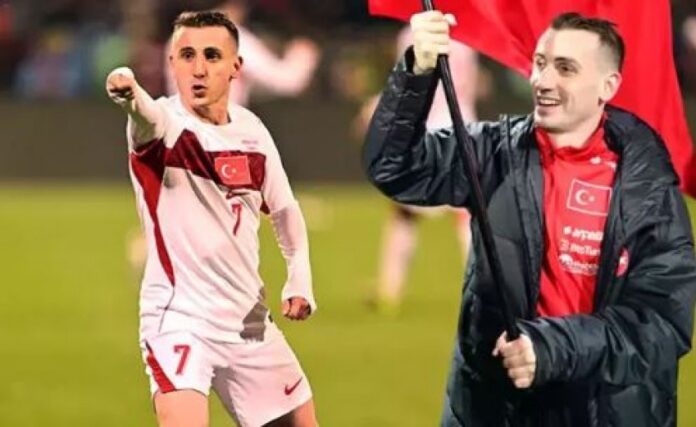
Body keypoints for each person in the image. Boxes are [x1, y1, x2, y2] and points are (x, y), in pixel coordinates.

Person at [363, 10, 696, 426]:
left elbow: (662, 323)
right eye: (540, 63)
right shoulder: (494, 153)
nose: (543, 80)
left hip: (608, 412)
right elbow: (394, 168)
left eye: (565, 68)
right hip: (498, 408)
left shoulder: (647, 186)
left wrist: (550, 347)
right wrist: (416, 72)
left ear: (608, 86)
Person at [106, 11, 317, 427]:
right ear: (172, 63)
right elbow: (146, 116)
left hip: (248, 322)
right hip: (180, 321)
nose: (198, 69)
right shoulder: (164, 129)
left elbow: (284, 209)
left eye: (212, 56)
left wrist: (299, 277)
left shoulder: (253, 131)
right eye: (187, 56)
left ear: (236, 67)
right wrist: (131, 95)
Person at [363, 26, 480, 313]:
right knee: (466, 213)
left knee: (403, 212)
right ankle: (482, 292)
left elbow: (407, 84)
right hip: (463, 127)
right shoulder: (468, 38)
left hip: (427, 128)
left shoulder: (413, 33)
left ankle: (390, 290)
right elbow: (474, 85)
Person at [164, 0, 321, 106]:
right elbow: (287, 82)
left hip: (183, 136)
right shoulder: (232, 37)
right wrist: (304, 51)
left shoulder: (176, 38)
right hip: (219, 135)